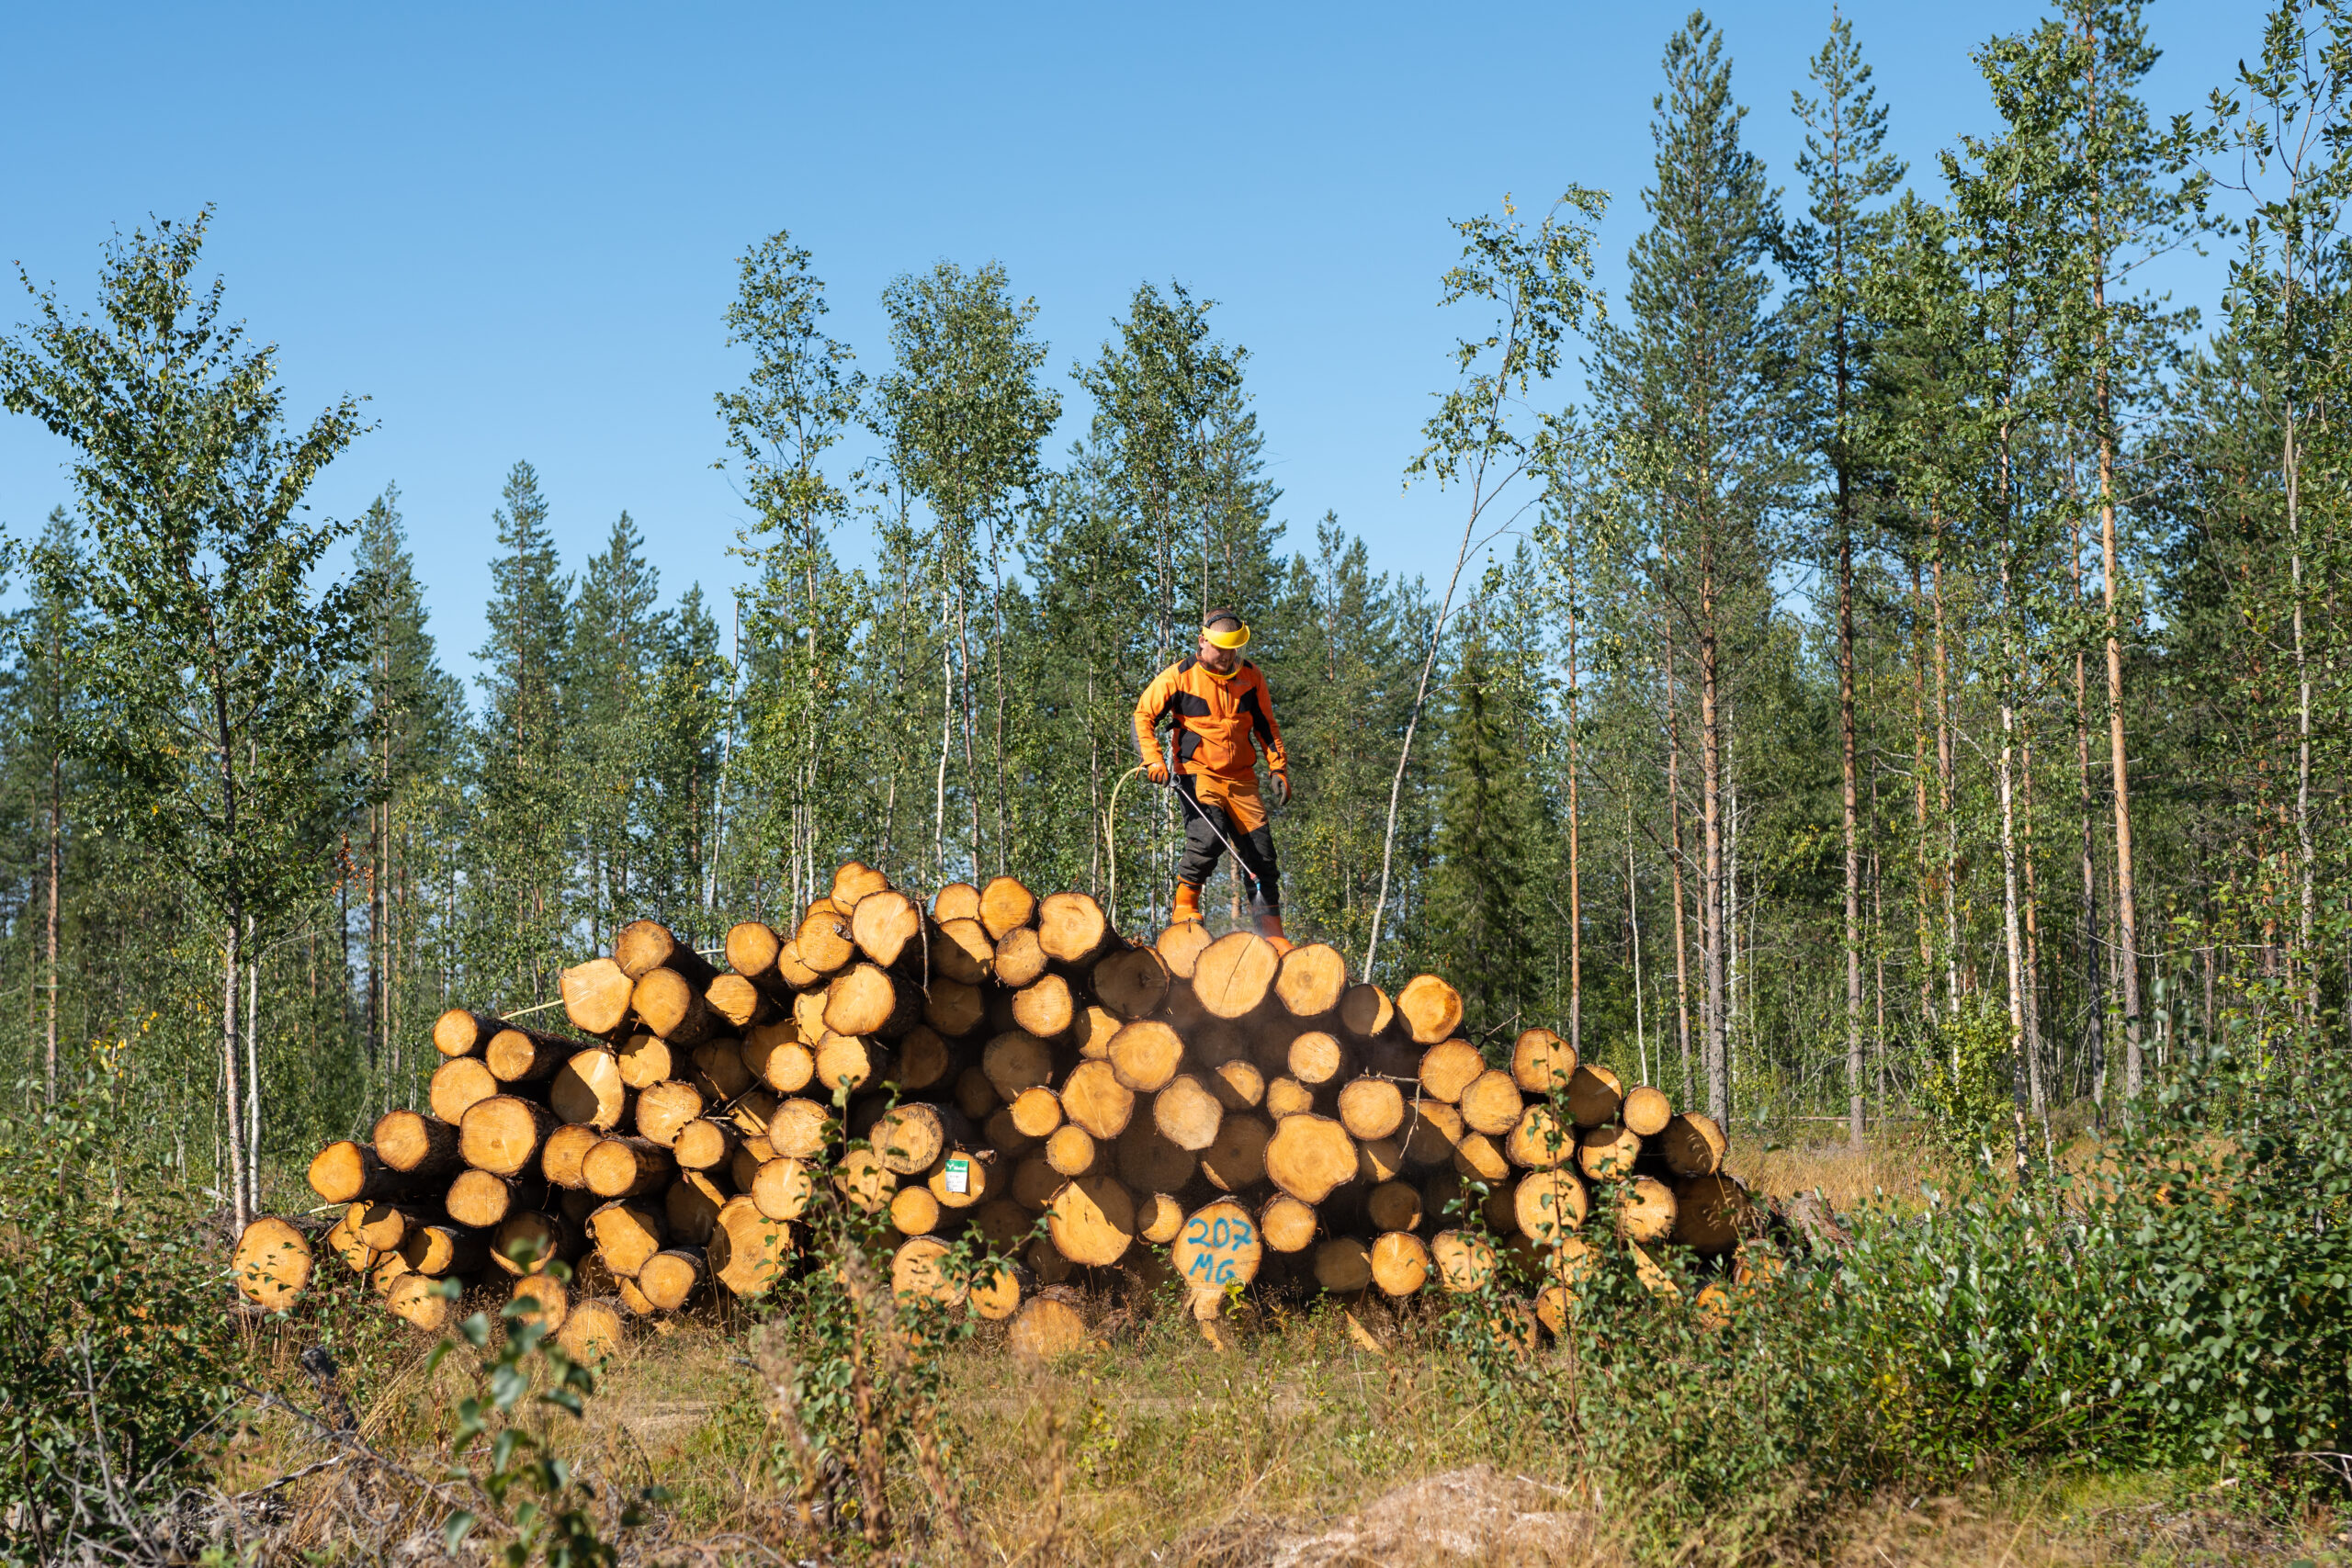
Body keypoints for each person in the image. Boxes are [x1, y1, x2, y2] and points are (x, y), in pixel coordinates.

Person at [1132, 607, 1294, 951]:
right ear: (1203, 642)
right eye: (1221, 649)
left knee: (1262, 859)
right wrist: (1152, 760)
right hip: (1198, 772)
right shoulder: (1178, 677)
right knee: (1208, 837)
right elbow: (1143, 716)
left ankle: (1273, 937)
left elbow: (1267, 726)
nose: (1228, 656)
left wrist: (1277, 768)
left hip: (1242, 779)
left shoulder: (1252, 677)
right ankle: (1185, 909)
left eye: (1234, 649)